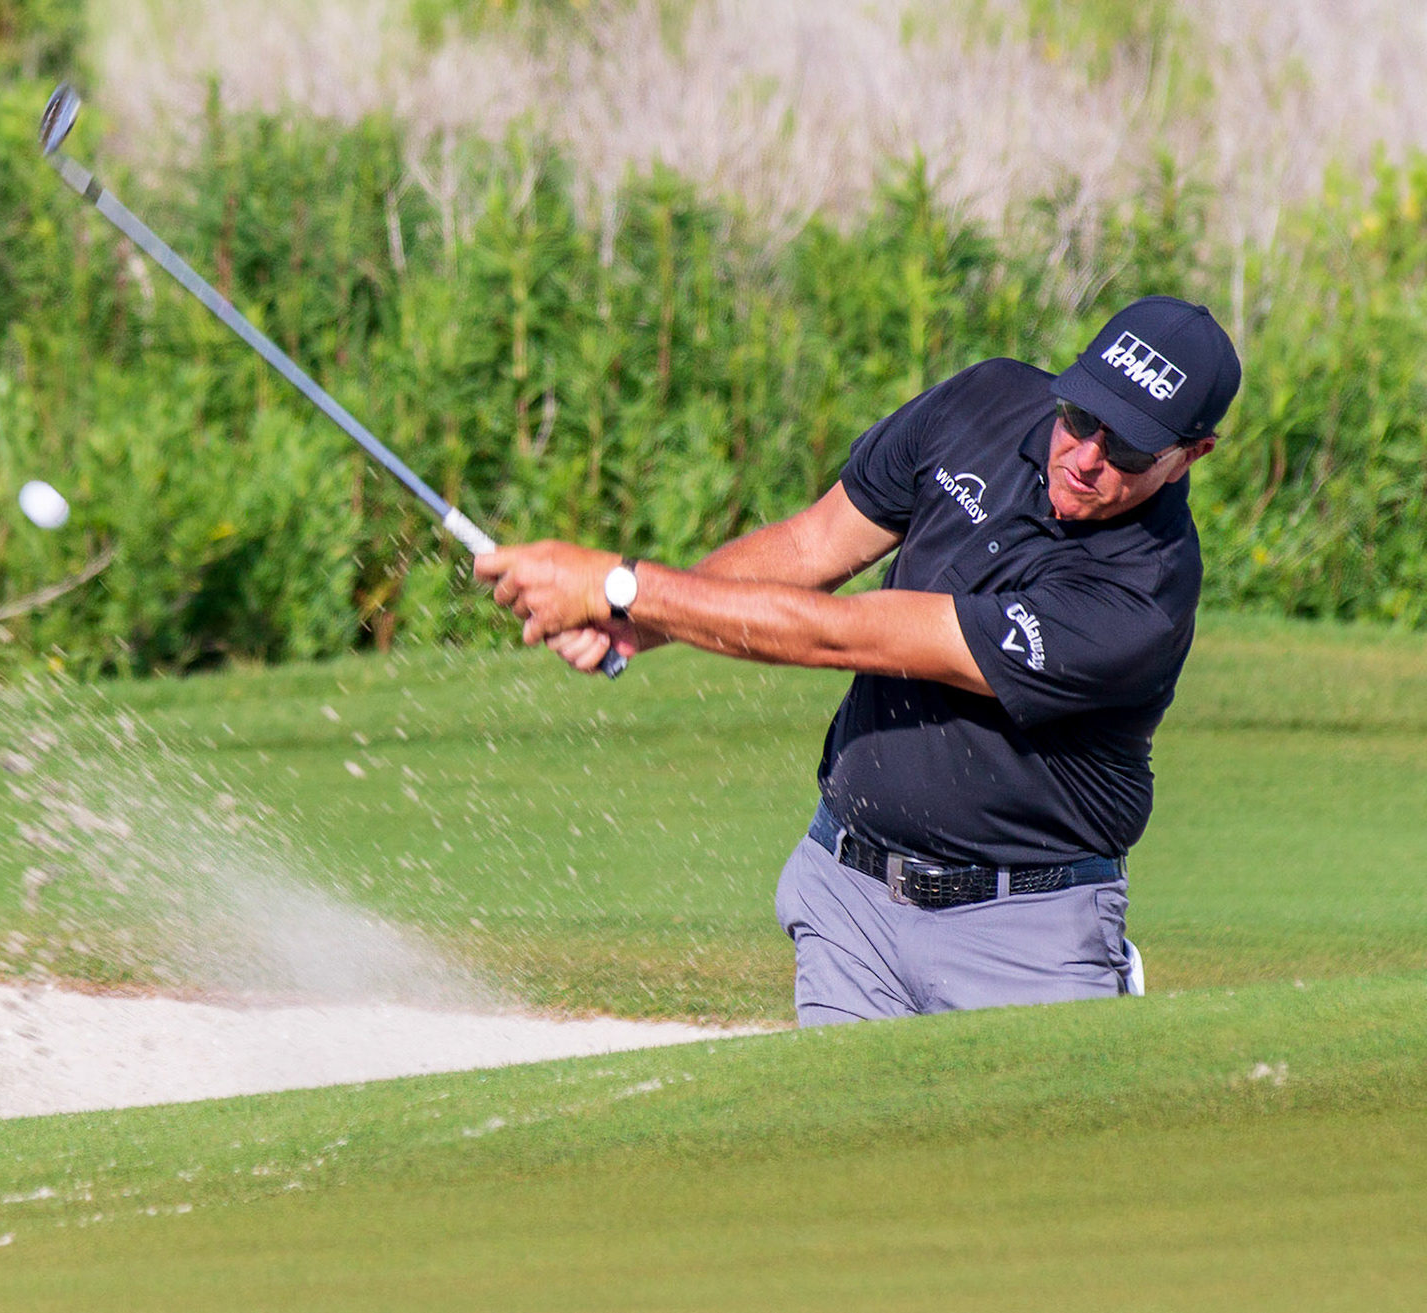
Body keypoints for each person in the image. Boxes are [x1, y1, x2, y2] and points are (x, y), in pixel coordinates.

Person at [475, 295, 1242, 1026]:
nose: (1087, 455)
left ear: (1191, 455)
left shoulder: (1141, 594)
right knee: (841, 1126)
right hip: (850, 903)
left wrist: (622, 584)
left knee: (1023, 1130)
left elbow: (847, 634)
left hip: (1025, 934)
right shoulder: (985, 400)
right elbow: (810, 546)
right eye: (1079, 416)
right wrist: (638, 620)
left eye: (1127, 446)